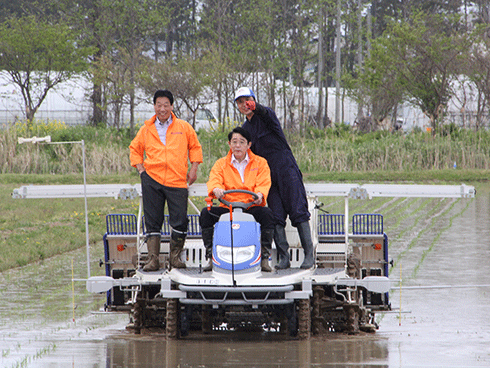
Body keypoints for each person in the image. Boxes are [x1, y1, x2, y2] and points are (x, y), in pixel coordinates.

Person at [234, 87, 315, 269]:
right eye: (240, 102)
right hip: (267, 175)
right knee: (276, 215)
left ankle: (310, 255)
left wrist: (257, 107)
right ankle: (284, 257)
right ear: (237, 106)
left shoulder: (266, 116)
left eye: (247, 100)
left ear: (253, 101)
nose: (244, 104)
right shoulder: (245, 129)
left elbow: (266, 111)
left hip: (286, 169)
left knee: (298, 210)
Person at [130, 89, 203, 271]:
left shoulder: (184, 127)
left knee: (179, 220)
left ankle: (175, 258)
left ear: (171, 106)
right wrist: (141, 170)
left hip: (177, 180)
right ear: (154, 106)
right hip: (151, 179)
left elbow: (195, 147)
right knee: (152, 220)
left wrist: (193, 169)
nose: (162, 109)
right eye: (158, 105)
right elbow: (134, 149)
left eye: (166, 105)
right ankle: (153, 260)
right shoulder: (146, 129)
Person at [199, 127, 274, 272]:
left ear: (249, 145)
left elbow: (263, 184)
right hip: (228, 207)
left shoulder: (260, 163)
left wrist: (259, 195)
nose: (237, 145)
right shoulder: (221, 164)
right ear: (229, 144)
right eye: (234, 142)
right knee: (206, 214)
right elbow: (214, 180)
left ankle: (264, 258)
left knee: (267, 215)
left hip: (250, 206)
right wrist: (216, 189)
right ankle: (210, 257)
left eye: (241, 142)